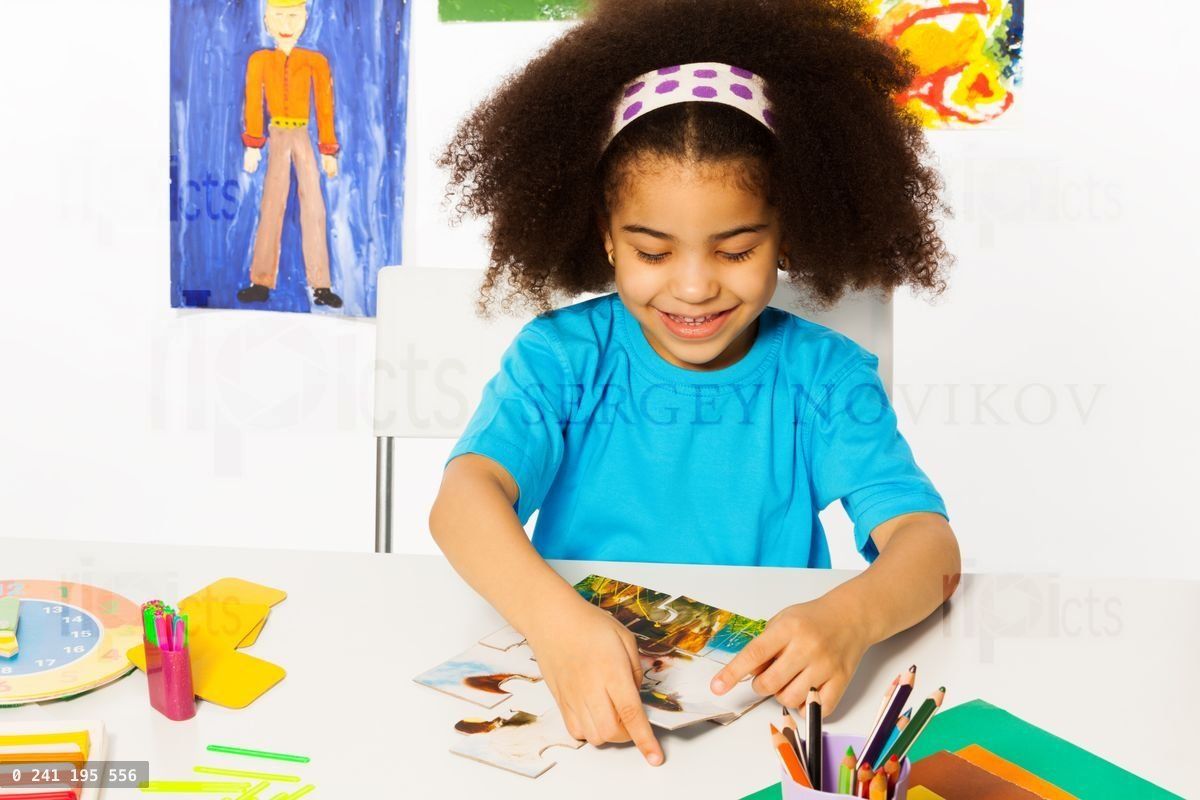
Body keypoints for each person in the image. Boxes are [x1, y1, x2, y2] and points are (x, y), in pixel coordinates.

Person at [429, 0, 961, 767]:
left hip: (757, 719)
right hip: (573, 693)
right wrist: (556, 625)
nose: (693, 288)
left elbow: (930, 546)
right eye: (651, 252)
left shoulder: (824, 375)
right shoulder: (562, 358)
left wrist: (853, 617)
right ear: (607, 238)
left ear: (786, 233)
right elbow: (462, 499)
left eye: (737, 248)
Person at [237, 0, 343, 309]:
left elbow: (324, 107)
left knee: (314, 207)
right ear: (267, 20)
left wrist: (328, 149)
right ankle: (260, 280)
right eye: (279, 16)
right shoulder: (259, 61)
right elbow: (254, 103)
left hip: (303, 136)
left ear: (304, 19)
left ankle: (321, 285)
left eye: (293, 16)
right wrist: (253, 145)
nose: (286, 24)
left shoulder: (315, 62)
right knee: (272, 205)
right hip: (275, 136)